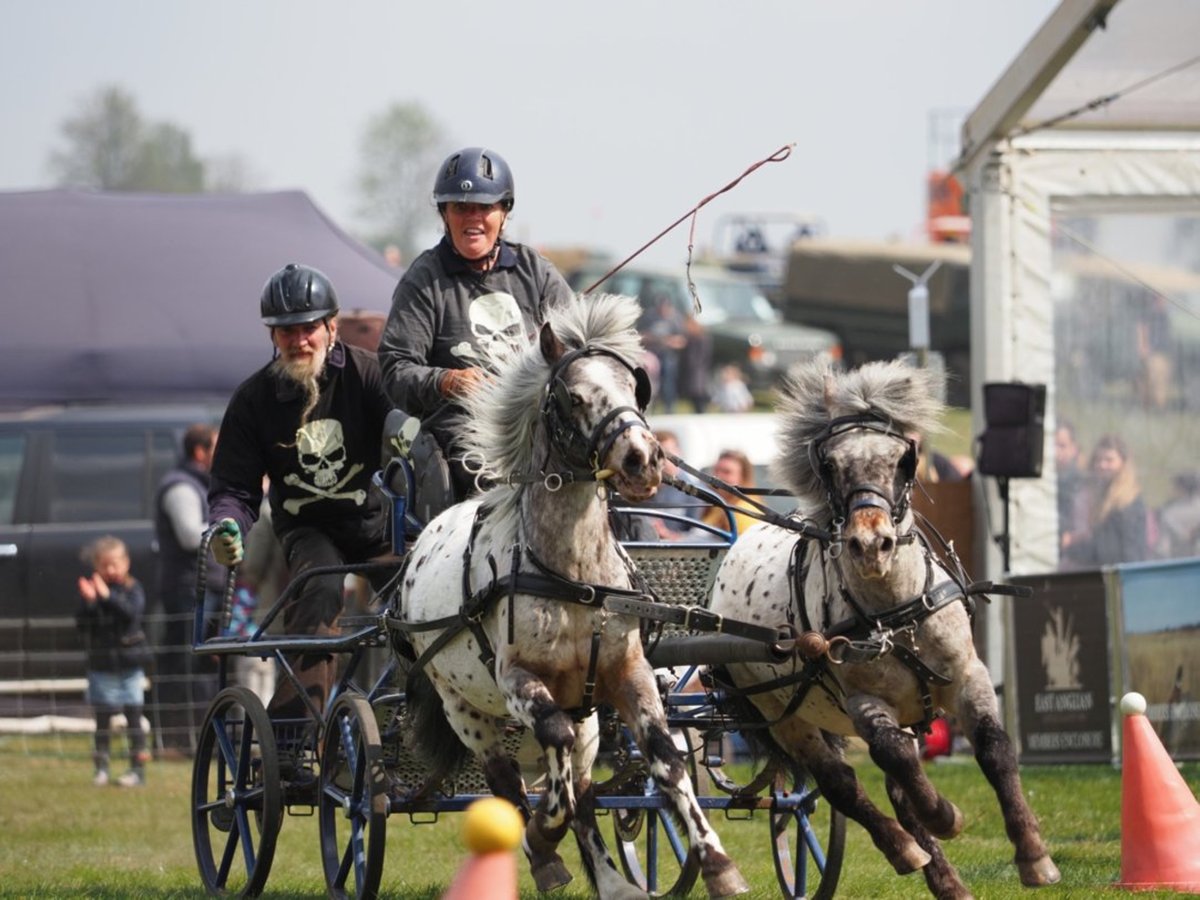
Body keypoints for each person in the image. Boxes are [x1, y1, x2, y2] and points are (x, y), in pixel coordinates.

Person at [208, 263, 395, 727]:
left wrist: (410, 435)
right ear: (272, 335)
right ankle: (294, 734)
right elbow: (234, 487)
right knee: (319, 589)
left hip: (374, 523)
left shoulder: (369, 374)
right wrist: (226, 525)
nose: (299, 341)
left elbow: (407, 428)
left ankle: (414, 719)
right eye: (286, 331)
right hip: (308, 528)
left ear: (331, 326)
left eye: (308, 328)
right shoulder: (253, 399)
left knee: (422, 598)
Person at [378, 147, 574, 501]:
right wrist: (447, 381)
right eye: (460, 207)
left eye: (484, 207)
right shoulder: (423, 280)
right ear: (444, 214)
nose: (474, 218)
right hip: (464, 436)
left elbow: (577, 348)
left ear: (504, 212)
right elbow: (396, 370)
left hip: (539, 424)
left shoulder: (536, 271)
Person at [153, 422, 220, 756]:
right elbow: (191, 536)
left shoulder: (201, 484)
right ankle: (178, 740)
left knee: (207, 665)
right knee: (184, 664)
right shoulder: (181, 487)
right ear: (200, 451)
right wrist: (231, 525)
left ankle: (204, 739)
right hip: (190, 590)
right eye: (217, 447)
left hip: (207, 587)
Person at [76, 535, 151, 788]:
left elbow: (130, 615)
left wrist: (106, 597)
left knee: (134, 717)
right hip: (102, 665)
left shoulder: (133, 590)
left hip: (129, 665)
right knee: (102, 720)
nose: (109, 570)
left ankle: (137, 770)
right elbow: (83, 625)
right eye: (104, 565)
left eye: (114, 564)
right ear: (96, 566)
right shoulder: (94, 593)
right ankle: (101, 768)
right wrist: (89, 602)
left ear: (126, 563)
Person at [1061, 433, 1148, 568]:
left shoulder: (1127, 503)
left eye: (1109, 460)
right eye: (1098, 460)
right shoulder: (1101, 497)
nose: (1102, 465)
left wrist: (1070, 547)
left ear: (1123, 463)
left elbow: (1111, 551)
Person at [700, 449, 760, 537]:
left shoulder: (745, 512)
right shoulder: (719, 504)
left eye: (727, 472)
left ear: (743, 477)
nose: (718, 477)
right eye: (716, 470)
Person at [1153, 471, 1200, 560]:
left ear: (1181, 489)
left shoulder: (1169, 513)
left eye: (1174, 487)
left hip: (1178, 560)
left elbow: (1163, 547)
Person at [1055, 419, 1086, 545]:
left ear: (1074, 449)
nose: (1055, 452)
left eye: (1062, 446)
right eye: (1051, 445)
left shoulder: (1082, 485)